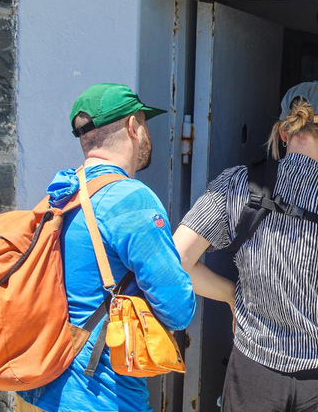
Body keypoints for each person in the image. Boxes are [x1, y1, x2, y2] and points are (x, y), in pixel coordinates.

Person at [174, 81, 318, 412]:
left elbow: (176, 258)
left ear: (283, 132)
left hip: (253, 375)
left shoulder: (237, 185)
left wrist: (230, 295)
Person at [15, 83, 196, 412]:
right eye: (144, 121)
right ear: (132, 126)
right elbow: (178, 309)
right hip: (99, 398)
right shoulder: (132, 199)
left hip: (38, 390)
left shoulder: (59, 193)